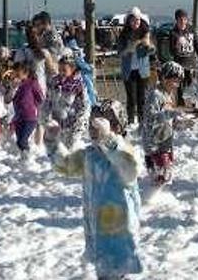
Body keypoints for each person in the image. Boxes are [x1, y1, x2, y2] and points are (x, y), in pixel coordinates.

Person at [45, 115, 143, 279]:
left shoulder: (125, 151)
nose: (93, 131)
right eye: (92, 126)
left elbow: (131, 170)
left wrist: (109, 140)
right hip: (97, 231)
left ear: (116, 127)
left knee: (116, 272)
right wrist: (52, 141)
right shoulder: (89, 155)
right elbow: (65, 165)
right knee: (105, 273)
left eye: (99, 127)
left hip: (121, 232)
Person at [143, 61, 184, 186]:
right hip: (154, 144)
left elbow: (169, 116)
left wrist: (180, 122)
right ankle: (152, 200)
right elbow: (150, 118)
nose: (177, 85)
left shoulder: (168, 94)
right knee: (160, 177)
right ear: (165, 78)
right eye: (175, 81)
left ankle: (160, 198)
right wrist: (171, 114)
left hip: (165, 141)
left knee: (167, 175)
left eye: (179, 81)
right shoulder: (155, 95)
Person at [117, 7, 154, 125]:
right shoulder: (123, 35)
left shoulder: (145, 32)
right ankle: (131, 121)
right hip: (129, 70)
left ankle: (143, 121)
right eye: (133, 20)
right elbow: (120, 52)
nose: (136, 23)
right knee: (131, 98)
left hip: (143, 70)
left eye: (137, 20)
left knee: (142, 98)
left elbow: (152, 50)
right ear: (128, 21)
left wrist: (149, 47)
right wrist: (129, 48)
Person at [47, 53, 90, 150]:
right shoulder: (55, 81)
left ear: (72, 69)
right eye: (59, 70)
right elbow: (49, 99)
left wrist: (79, 121)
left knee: (70, 148)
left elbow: (84, 105)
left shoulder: (78, 84)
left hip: (74, 122)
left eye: (64, 70)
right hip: (59, 121)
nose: (61, 73)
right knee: (58, 149)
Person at [10, 61, 44, 161]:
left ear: (25, 73)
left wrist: (35, 107)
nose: (15, 74)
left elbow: (40, 97)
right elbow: (10, 99)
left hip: (30, 117)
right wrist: (13, 88)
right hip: (18, 117)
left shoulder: (32, 83)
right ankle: (23, 157)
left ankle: (28, 157)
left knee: (22, 140)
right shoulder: (16, 85)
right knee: (19, 141)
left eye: (17, 72)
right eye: (14, 72)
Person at [169, 9, 198, 102]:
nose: (183, 22)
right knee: (180, 86)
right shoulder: (173, 33)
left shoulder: (191, 30)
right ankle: (181, 104)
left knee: (192, 84)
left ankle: (193, 104)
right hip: (179, 63)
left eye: (184, 19)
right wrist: (176, 46)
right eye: (180, 20)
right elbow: (171, 51)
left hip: (191, 62)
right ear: (176, 20)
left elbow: (197, 45)